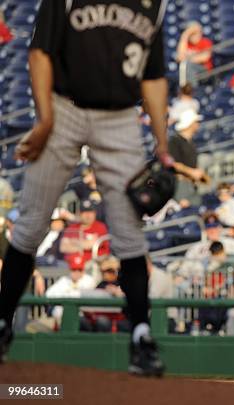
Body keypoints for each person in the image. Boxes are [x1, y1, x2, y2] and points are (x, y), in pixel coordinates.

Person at [0, 0, 170, 376]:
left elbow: (154, 76)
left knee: (129, 233)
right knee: (31, 224)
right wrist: (45, 118)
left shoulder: (155, 5)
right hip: (64, 109)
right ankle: (2, 322)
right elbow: (40, 52)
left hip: (122, 118)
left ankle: (140, 335)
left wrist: (162, 144)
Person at [169, 109, 210, 207]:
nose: (197, 124)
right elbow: (174, 164)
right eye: (196, 121)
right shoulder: (174, 141)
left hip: (191, 184)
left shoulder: (191, 143)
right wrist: (192, 172)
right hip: (180, 184)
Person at [60, 200, 110, 266]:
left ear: (95, 213)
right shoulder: (72, 227)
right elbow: (63, 247)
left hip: (93, 264)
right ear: (79, 214)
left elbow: (95, 244)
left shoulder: (100, 227)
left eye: (90, 212)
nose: (88, 215)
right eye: (85, 212)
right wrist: (86, 244)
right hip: (71, 264)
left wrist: (73, 242)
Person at [176, 21, 213, 86]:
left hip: (204, 70)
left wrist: (186, 59)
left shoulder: (205, 42)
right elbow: (179, 57)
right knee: (185, 66)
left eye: (198, 33)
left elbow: (204, 58)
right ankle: (186, 91)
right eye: (193, 33)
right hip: (188, 71)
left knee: (187, 65)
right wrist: (185, 35)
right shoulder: (186, 44)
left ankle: (190, 91)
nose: (196, 35)